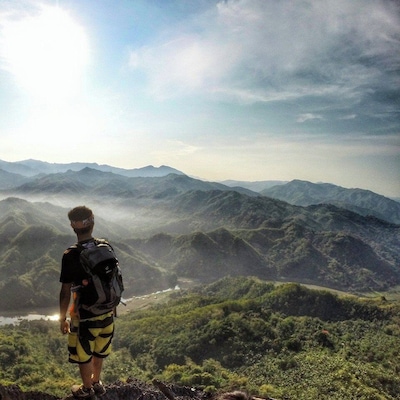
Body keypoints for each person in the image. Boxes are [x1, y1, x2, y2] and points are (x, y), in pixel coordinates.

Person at [59, 206, 114, 398]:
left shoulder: (71, 255)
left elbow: (65, 292)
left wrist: (61, 318)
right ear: (93, 223)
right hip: (107, 313)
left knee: (84, 353)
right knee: (100, 350)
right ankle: (97, 382)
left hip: (84, 317)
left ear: (73, 227)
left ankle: (87, 389)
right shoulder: (105, 247)